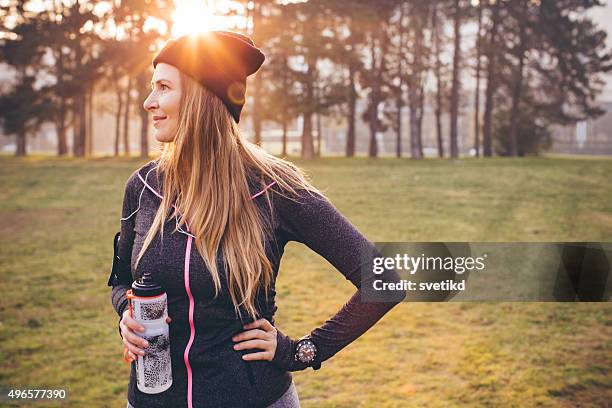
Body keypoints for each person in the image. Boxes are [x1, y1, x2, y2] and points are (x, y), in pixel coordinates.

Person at [108, 30, 406, 408]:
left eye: (163, 87)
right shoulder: (143, 187)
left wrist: (302, 351)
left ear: (202, 98)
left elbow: (383, 280)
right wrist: (125, 315)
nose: (149, 102)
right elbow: (121, 281)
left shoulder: (274, 189)